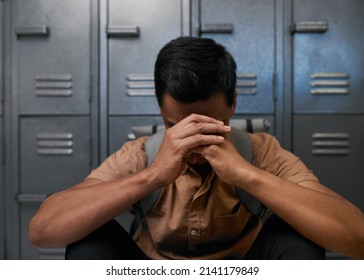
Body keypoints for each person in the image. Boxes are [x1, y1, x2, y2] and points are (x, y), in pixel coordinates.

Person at [29, 37, 364, 260]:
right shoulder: (141, 155)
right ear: (161, 111)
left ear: (233, 105)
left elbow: (357, 239)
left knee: (297, 232)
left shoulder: (262, 151)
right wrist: (153, 177)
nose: (193, 142)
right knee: (90, 239)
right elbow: (42, 231)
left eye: (207, 126)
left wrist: (245, 174)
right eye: (178, 127)